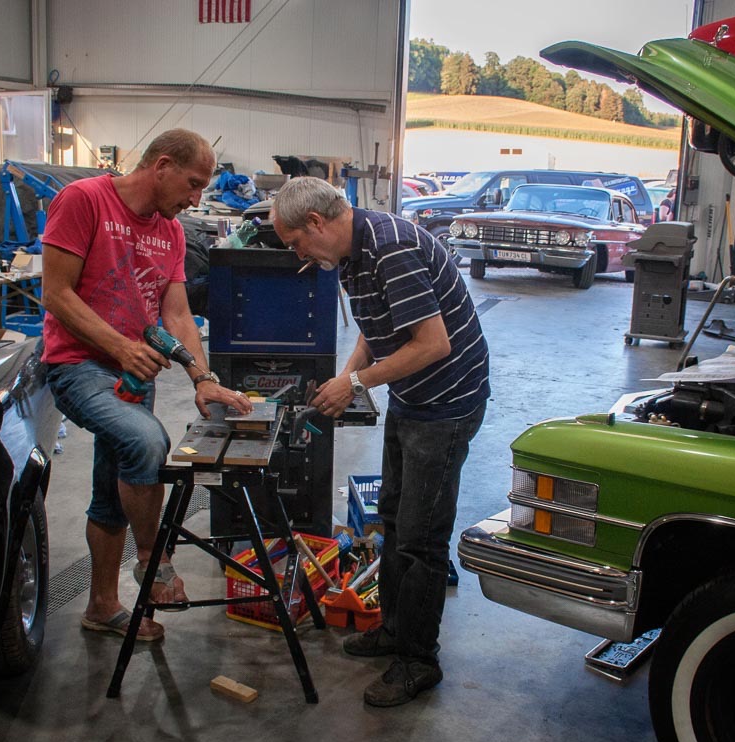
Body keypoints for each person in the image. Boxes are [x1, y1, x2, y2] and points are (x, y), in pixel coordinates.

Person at [271, 177, 490, 707]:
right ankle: (394, 630)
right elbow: (378, 325)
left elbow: (433, 344)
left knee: (421, 536)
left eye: (296, 243)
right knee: (392, 514)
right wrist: (349, 376)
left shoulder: (391, 247)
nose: (298, 255)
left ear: (317, 223)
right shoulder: (350, 255)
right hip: (412, 396)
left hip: (447, 400)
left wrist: (360, 383)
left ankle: (419, 660)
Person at [40, 129, 251, 643]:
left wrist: (202, 378)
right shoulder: (85, 200)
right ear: (161, 166)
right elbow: (55, 293)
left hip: (137, 370)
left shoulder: (173, 233)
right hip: (79, 366)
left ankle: (101, 606)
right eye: (193, 184)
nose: (196, 198)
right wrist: (118, 346)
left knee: (113, 489)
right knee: (147, 442)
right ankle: (155, 563)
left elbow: (176, 313)